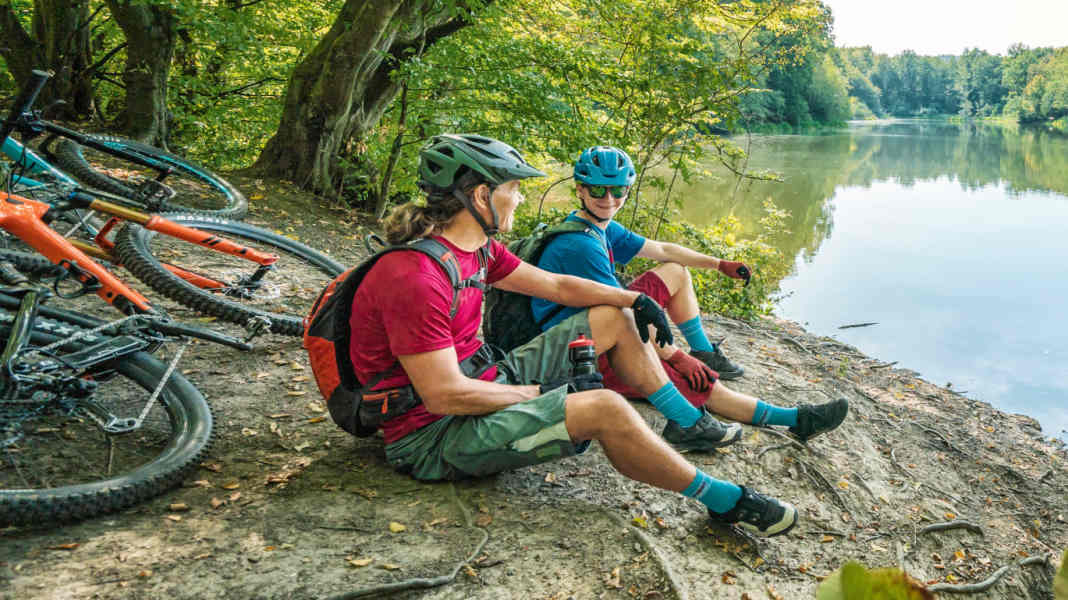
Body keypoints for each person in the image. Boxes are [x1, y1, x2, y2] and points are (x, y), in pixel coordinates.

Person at [346, 133, 804, 536]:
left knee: (611, 315)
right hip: (431, 435)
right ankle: (725, 500)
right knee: (604, 406)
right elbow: (443, 396)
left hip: (482, 380)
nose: (520, 199)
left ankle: (686, 420)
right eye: (514, 190)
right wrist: (544, 393)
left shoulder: (477, 249)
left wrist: (632, 301)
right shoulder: (417, 278)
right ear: (482, 195)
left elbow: (558, 286)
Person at [529, 145, 848, 445]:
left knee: (675, 269)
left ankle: (705, 352)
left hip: (593, 326)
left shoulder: (596, 226)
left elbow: (664, 250)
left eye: (618, 191)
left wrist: (718, 264)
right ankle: (795, 420)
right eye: (598, 190)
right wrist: (677, 358)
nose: (609, 199)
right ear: (580, 189)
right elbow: (626, 317)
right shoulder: (582, 246)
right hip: (583, 351)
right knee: (705, 384)